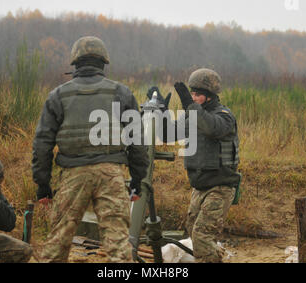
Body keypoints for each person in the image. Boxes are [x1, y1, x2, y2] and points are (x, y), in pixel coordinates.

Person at [32, 36, 149, 263]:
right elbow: (137, 140)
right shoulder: (122, 92)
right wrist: (137, 178)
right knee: (118, 243)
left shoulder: (58, 96)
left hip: (73, 174)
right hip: (111, 173)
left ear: (75, 63)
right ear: (103, 63)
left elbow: (42, 143)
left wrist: (43, 184)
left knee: (58, 240)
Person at [153, 68, 241, 263]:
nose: (193, 97)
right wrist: (161, 112)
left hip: (220, 186)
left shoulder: (225, 116)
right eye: (191, 93)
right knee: (194, 235)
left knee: (202, 237)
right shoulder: (193, 115)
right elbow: (167, 135)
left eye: (198, 94)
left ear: (210, 97)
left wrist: (189, 105)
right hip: (199, 187)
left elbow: (211, 127)